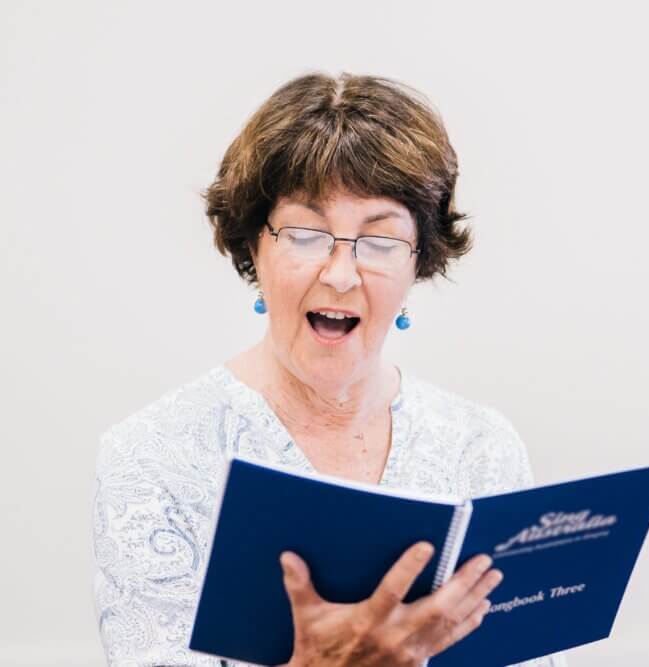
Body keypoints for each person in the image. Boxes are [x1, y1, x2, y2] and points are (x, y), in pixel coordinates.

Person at [91, 71, 569, 667]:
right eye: (306, 233)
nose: (341, 274)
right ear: (253, 248)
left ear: (420, 260)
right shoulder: (152, 457)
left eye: (380, 239)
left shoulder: (482, 447)